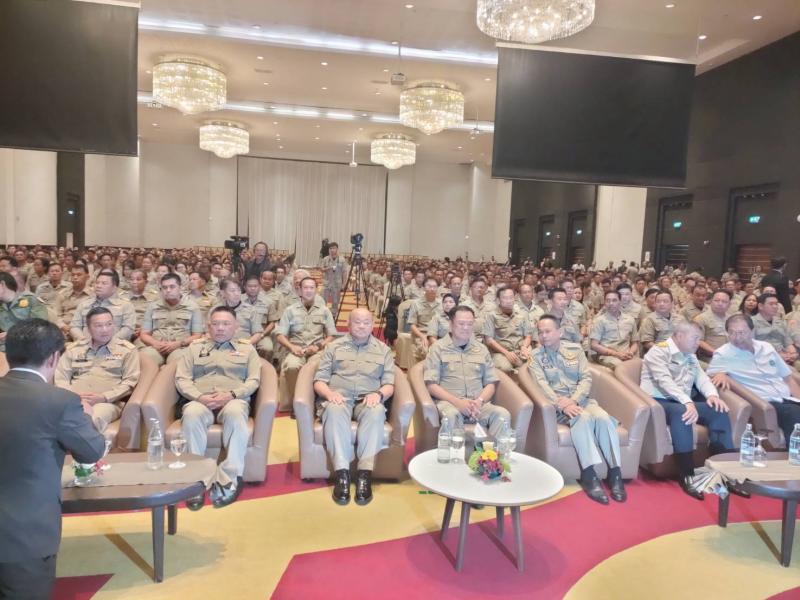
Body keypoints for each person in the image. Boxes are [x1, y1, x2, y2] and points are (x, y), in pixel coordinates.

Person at [0, 319, 105, 598]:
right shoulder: (61, 401)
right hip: (24, 538)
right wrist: (86, 415)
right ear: (54, 357)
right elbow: (92, 450)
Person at [530, 315, 625, 504]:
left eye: (548, 331)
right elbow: (541, 385)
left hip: (581, 400)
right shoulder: (536, 356)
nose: (543, 336)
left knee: (604, 417)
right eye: (540, 332)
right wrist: (562, 404)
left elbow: (586, 378)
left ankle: (615, 473)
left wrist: (573, 400)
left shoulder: (575, 350)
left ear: (560, 332)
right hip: (558, 406)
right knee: (584, 418)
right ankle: (589, 475)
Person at [176, 306, 262, 509]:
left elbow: (254, 380)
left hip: (232, 399)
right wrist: (199, 397)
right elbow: (182, 378)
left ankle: (230, 478)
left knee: (236, 413)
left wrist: (231, 395)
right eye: (215, 324)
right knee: (191, 414)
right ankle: (197, 480)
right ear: (209, 326)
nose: (220, 328)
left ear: (236, 326)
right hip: (201, 400)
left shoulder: (247, 349)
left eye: (226, 324)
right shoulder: (194, 348)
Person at [640, 321, 734, 500]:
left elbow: (701, 378)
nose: (698, 343)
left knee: (718, 410)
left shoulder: (690, 355)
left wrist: (712, 395)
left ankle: (726, 472)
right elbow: (664, 381)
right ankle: (687, 474)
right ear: (680, 336)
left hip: (683, 401)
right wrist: (687, 401)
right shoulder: (658, 352)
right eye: (695, 338)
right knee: (681, 412)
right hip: (659, 401)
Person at [313, 308, 395, 506]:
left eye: (366, 322)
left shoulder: (383, 350)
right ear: (348, 324)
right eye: (357, 322)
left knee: (376, 412)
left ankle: (364, 474)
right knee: (333, 410)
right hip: (339, 398)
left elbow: (389, 384)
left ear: (372, 325)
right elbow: (319, 381)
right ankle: (342, 474)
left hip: (368, 400)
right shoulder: (334, 347)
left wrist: (379, 394)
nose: (362, 326)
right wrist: (329, 394)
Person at [708, 313, 800, 447]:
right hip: (765, 403)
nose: (737, 337)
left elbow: (787, 377)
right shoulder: (723, 354)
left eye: (742, 332)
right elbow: (710, 377)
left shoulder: (766, 347)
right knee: (794, 414)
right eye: (732, 333)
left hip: (788, 399)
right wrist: (719, 374)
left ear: (752, 331)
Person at [424, 306, 510, 440]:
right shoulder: (437, 348)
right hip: (450, 404)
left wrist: (479, 402)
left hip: (478, 405)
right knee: (451, 415)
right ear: (451, 324)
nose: (466, 328)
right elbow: (431, 385)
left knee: (502, 414)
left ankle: (492, 453)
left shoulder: (481, 349)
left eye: (470, 324)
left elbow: (491, 383)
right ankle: (454, 453)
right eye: (461, 323)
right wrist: (458, 403)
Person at [55, 307, 140, 433]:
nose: (105, 329)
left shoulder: (127, 350)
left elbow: (130, 383)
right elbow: (61, 378)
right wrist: (74, 398)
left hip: (106, 403)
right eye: (99, 326)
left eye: (109, 324)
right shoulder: (74, 349)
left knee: (89, 420)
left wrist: (104, 397)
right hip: (72, 400)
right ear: (88, 328)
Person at [275, 277, 336, 409]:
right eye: (305, 288)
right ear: (299, 290)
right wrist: (292, 347)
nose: (308, 290)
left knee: (316, 367)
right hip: (296, 350)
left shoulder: (324, 311)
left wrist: (318, 346)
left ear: (316, 290)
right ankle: (296, 401)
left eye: (311, 288)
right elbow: (280, 335)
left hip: (317, 350)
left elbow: (331, 335)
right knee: (291, 366)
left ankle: (313, 400)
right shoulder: (290, 310)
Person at [139, 273, 205, 366]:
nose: (168, 290)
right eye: (164, 287)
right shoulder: (153, 306)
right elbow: (144, 334)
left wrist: (179, 344)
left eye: (172, 287)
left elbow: (197, 335)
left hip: (181, 347)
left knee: (179, 364)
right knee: (144, 360)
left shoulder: (192, 307)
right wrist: (155, 343)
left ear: (180, 287)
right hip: (156, 347)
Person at [69, 269, 136, 342]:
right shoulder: (84, 304)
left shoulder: (126, 305)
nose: (98, 286)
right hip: (86, 344)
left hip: (115, 346)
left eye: (104, 283)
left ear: (114, 288)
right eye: (97, 283)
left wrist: (109, 343)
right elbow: (74, 326)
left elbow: (128, 329)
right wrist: (83, 340)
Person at [484, 287, 532, 374]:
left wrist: (524, 347)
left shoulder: (522, 314)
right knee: (505, 368)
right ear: (498, 300)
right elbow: (489, 340)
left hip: (520, 348)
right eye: (505, 298)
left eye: (511, 297)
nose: (509, 301)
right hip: (501, 352)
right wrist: (506, 353)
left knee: (533, 363)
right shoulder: (491, 316)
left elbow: (528, 336)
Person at [0, 271, 49, 352]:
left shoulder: (30, 300)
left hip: (30, 346)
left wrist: (12, 333)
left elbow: (40, 327)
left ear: (2, 284)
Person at [751, 293, 798, 368]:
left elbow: (788, 343)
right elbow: (751, 346)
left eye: (776, 304)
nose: (775, 306)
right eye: (771, 304)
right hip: (763, 360)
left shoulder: (781, 322)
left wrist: (793, 354)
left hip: (783, 357)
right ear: (760, 306)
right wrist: (776, 356)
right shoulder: (751, 322)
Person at [407, 277, 442, 360]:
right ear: (423, 288)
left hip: (439, 335)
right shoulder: (416, 303)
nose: (432, 289)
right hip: (423, 334)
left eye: (434, 286)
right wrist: (422, 336)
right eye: (429, 286)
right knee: (427, 352)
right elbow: (412, 325)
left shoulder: (442, 303)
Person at [694, 290, 731, 362]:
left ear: (729, 304)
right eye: (716, 301)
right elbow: (698, 341)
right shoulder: (700, 319)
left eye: (724, 302)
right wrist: (716, 353)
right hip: (711, 358)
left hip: (730, 357)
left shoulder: (731, 318)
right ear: (711, 302)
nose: (720, 304)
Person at [321, 242, 348, 314]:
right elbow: (321, 269)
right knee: (323, 300)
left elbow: (344, 273)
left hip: (337, 283)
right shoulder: (325, 259)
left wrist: (344, 284)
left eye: (334, 248)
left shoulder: (342, 260)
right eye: (330, 248)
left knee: (335, 301)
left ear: (337, 249)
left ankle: (333, 315)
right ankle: (322, 314)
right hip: (327, 282)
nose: (332, 250)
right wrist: (329, 268)